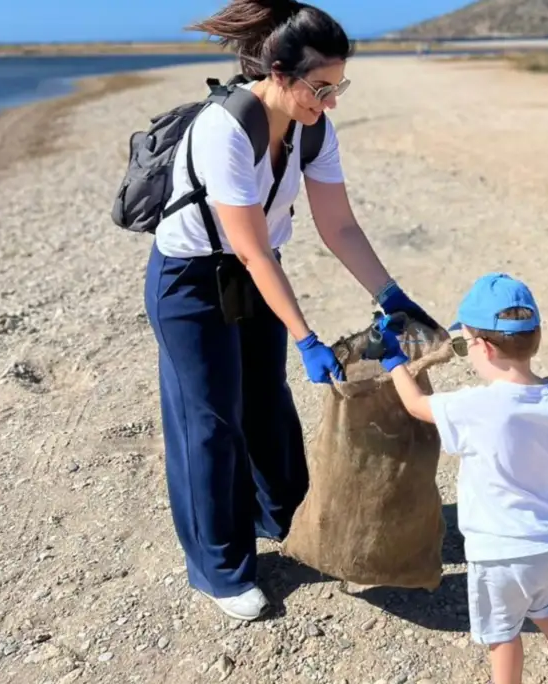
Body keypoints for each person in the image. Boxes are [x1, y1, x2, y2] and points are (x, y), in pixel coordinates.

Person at [143, 0, 438, 623]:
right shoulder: (225, 129)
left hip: (257, 274)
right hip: (190, 282)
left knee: (266, 400)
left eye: (338, 88)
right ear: (278, 73)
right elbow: (249, 248)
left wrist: (391, 295)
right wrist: (306, 336)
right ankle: (220, 569)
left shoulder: (314, 129)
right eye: (320, 88)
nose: (329, 102)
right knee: (209, 421)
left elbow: (339, 226)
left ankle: (284, 518)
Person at [374, 273, 548, 684]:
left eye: (464, 345)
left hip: (499, 555)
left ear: (484, 347)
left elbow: (417, 405)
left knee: (503, 635)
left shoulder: (476, 406)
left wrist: (392, 360)